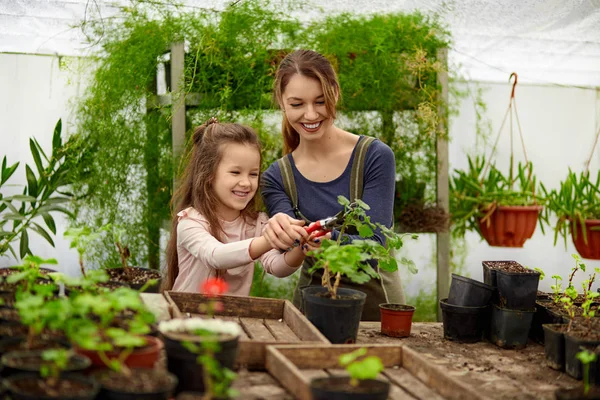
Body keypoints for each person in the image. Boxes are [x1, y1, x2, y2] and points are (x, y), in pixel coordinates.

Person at [261, 49, 405, 321]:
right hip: (310, 310)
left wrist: (330, 239)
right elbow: (286, 251)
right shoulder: (277, 177)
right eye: (297, 104)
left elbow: (377, 243)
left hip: (378, 311)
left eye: (320, 101)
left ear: (335, 94)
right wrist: (281, 231)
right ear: (281, 102)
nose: (311, 114)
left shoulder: (373, 156)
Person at [163, 118, 309, 295]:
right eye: (235, 172)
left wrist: (302, 247)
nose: (246, 182)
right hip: (187, 317)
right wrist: (270, 239)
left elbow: (277, 267)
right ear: (208, 174)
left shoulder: (256, 223)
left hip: (231, 320)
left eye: (253, 174)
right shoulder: (190, 222)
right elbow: (215, 256)